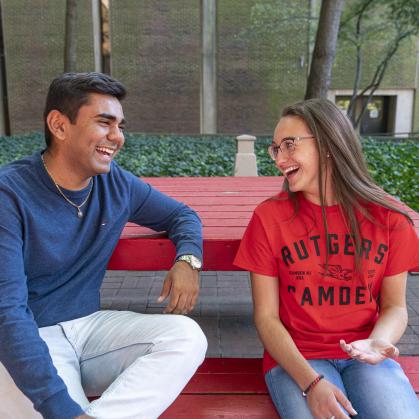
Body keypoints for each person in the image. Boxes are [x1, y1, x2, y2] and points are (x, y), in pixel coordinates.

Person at [0, 72, 207, 419]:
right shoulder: (9, 195)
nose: (118, 137)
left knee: (186, 337)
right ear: (59, 125)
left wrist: (188, 259)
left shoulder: (115, 184)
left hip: (90, 329)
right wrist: (65, 411)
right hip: (29, 336)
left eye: (120, 125)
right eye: (104, 123)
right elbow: (7, 315)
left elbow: (182, 215)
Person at [234, 98, 419, 419]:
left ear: (329, 143)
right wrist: (311, 383)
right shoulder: (268, 218)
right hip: (298, 360)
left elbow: (395, 307)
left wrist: (378, 342)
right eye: (276, 149)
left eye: (289, 145)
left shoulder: (390, 219)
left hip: (364, 356)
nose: (279, 159)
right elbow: (266, 318)